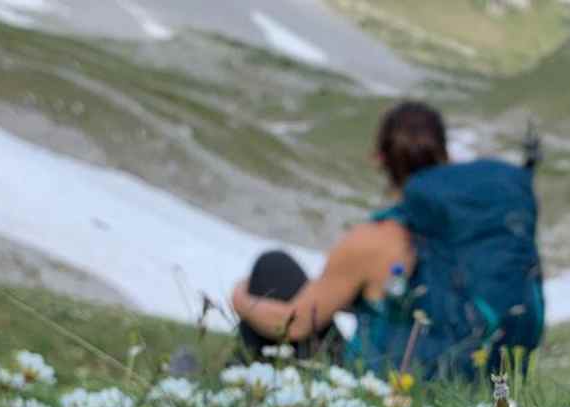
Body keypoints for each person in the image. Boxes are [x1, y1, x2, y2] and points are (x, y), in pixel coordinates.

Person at [230, 101, 544, 379]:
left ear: (379, 158)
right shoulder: (473, 232)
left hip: (377, 393)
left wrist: (241, 301)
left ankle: (231, 394)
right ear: (446, 156)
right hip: (478, 386)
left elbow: (295, 324)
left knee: (273, 268)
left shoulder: (372, 240)